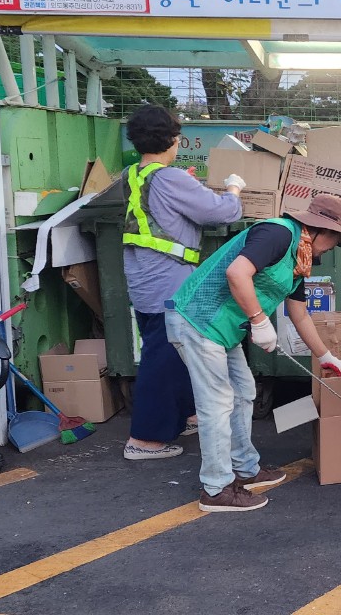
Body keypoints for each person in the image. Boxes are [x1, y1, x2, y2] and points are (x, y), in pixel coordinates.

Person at [166, 194, 341, 512]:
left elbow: (300, 315)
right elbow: (237, 274)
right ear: (323, 230)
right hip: (198, 321)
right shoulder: (278, 233)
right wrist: (259, 320)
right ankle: (215, 490)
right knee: (217, 404)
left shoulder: (302, 256)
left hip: (224, 330)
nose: (332, 248)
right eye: (335, 241)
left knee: (244, 393)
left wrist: (325, 356)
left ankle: (246, 470)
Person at [121, 104, 246, 461]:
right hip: (168, 279)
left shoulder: (136, 174)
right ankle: (144, 440)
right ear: (174, 140)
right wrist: (234, 189)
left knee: (174, 353)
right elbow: (221, 212)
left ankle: (185, 417)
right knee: (163, 358)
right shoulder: (170, 178)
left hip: (145, 277)